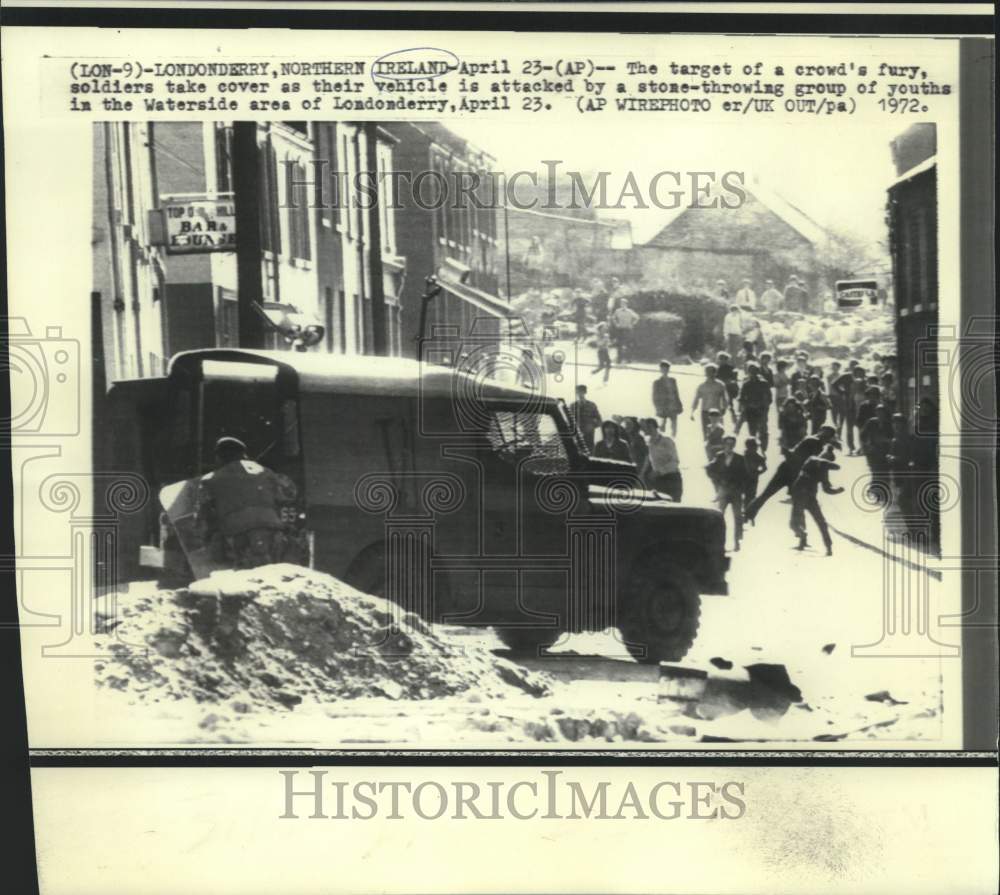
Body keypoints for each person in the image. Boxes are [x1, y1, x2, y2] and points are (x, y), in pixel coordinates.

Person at [196, 436, 298, 570]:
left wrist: (207, 533)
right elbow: (289, 495)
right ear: (244, 454)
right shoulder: (266, 472)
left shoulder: (210, 479)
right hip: (271, 528)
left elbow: (204, 512)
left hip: (236, 533)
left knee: (242, 574)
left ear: (219, 456)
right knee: (271, 571)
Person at [745, 424, 840, 522]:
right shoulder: (815, 442)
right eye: (826, 434)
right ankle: (798, 525)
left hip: (788, 469)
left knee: (768, 494)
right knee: (795, 500)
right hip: (791, 471)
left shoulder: (814, 441)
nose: (825, 436)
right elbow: (812, 461)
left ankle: (748, 515)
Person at [789, 448, 844, 555]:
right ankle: (805, 539)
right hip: (803, 495)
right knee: (799, 522)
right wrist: (829, 464)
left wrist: (837, 490)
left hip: (806, 496)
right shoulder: (812, 459)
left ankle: (826, 546)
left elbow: (827, 489)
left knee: (815, 521)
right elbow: (835, 467)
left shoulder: (823, 471)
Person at [706, 435, 748, 551]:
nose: (729, 446)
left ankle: (737, 541)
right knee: (719, 516)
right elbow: (709, 469)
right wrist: (717, 481)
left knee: (738, 517)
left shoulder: (740, 458)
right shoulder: (719, 456)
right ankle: (719, 542)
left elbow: (745, 475)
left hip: (736, 492)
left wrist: (741, 489)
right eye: (727, 443)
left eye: (732, 444)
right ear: (723, 444)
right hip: (723, 491)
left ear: (734, 445)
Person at [641, 418, 683, 501]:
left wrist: (660, 471)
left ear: (653, 427)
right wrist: (642, 474)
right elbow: (648, 459)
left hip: (671, 478)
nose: (644, 430)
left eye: (647, 427)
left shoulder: (667, 441)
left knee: (675, 506)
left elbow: (675, 461)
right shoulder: (648, 443)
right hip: (658, 480)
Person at [859, 404, 893, 505]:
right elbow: (863, 435)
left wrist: (887, 441)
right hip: (873, 452)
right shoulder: (871, 422)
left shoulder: (889, 423)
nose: (880, 414)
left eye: (882, 412)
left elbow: (893, 437)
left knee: (884, 472)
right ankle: (877, 492)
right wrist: (867, 445)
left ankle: (881, 491)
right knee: (875, 471)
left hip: (886, 452)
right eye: (878, 412)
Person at [737, 362, 772, 451]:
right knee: (752, 432)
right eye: (751, 371)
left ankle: (763, 448)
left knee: (763, 430)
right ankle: (753, 450)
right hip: (750, 411)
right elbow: (741, 398)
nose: (753, 374)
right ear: (748, 372)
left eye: (755, 371)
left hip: (762, 410)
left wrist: (764, 406)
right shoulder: (746, 384)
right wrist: (747, 405)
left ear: (758, 372)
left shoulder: (764, 383)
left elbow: (769, 398)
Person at [691, 363, 729, 436]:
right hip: (705, 411)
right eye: (707, 371)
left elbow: (725, 398)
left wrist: (724, 408)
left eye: (712, 371)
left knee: (718, 432)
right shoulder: (702, 386)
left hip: (717, 412)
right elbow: (696, 399)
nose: (709, 373)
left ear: (715, 373)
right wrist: (692, 412)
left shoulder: (720, 385)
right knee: (706, 433)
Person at [651, 360, 683, 436]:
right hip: (663, 406)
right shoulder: (657, 382)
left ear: (668, 370)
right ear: (660, 370)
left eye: (666, 369)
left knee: (674, 425)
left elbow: (676, 393)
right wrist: (657, 407)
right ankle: (663, 441)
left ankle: (673, 439)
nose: (665, 371)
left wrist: (679, 404)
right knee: (662, 426)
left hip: (673, 405)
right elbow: (654, 396)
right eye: (663, 369)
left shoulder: (673, 380)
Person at [570, 384, 602, 451]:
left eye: (581, 391)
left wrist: (592, 426)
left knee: (589, 451)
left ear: (585, 392)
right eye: (578, 391)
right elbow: (569, 420)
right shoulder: (572, 406)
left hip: (589, 435)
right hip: (577, 434)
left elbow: (599, 420)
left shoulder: (592, 405)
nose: (580, 393)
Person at [609, 297, 640, 364]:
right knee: (619, 345)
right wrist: (616, 324)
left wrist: (632, 324)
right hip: (620, 329)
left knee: (628, 345)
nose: (623, 305)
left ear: (626, 304)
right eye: (621, 303)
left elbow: (637, 317)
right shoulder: (617, 311)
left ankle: (628, 359)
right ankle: (619, 359)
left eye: (624, 303)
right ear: (620, 304)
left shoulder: (630, 311)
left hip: (628, 329)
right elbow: (613, 318)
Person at [743, 437, 767, 512]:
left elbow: (765, 468)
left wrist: (757, 473)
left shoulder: (758, 457)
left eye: (756, 447)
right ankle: (746, 508)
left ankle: (748, 510)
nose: (755, 448)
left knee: (751, 495)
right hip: (744, 477)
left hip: (753, 478)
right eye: (753, 447)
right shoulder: (743, 456)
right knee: (746, 494)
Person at [715, 351, 740, 426]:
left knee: (730, 404)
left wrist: (731, 381)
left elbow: (734, 379)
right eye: (721, 359)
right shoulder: (717, 369)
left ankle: (734, 418)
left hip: (729, 389)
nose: (722, 361)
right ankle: (719, 420)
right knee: (721, 405)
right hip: (720, 389)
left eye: (724, 359)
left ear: (727, 360)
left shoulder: (731, 368)